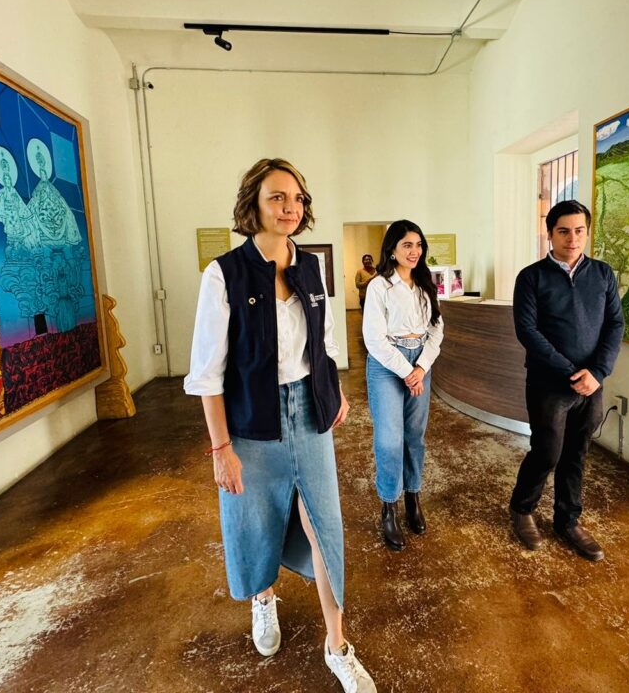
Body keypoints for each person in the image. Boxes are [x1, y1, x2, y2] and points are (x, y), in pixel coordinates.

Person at [184, 158, 376, 692]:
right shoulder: (224, 273)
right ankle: (263, 599)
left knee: (324, 526)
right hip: (250, 418)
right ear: (254, 204)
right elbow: (207, 372)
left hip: (309, 412)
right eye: (277, 197)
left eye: (296, 198)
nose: (289, 207)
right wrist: (221, 448)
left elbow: (325, 341)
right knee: (256, 521)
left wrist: (333, 389)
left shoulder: (310, 267)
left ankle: (337, 645)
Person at [509, 200, 624, 561]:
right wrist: (569, 372)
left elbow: (615, 324)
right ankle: (522, 508)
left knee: (577, 452)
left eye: (579, 231)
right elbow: (527, 331)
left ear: (587, 232)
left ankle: (567, 520)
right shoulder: (531, 277)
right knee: (547, 451)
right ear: (550, 234)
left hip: (591, 384)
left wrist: (598, 372)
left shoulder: (602, 274)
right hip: (548, 383)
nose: (572, 239)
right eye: (563, 231)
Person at [362, 221, 444, 551]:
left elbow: (436, 330)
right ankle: (389, 507)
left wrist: (421, 367)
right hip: (387, 365)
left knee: (414, 436)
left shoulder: (425, 284)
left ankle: (413, 496)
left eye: (419, 245)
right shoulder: (379, 286)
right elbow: (374, 339)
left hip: (420, 360)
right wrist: (408, 371)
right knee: (389, 439)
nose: (415, 251)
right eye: (407, 245)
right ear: (392, 249)